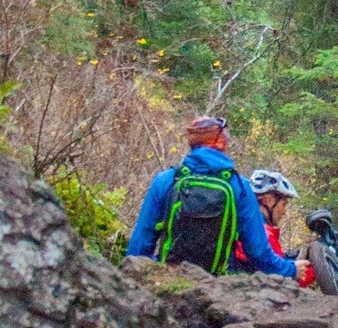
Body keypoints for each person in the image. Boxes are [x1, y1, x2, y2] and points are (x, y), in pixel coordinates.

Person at [127, 118, 303, 280]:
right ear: (222, 143)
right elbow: (257, 252)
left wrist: (135, 278)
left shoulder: (167, 180)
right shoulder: (238, 186)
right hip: (216, 284)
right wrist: (291, 270)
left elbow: (141, 243)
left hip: (170, 278)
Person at [245, 168, 316, 286]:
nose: (284, 212)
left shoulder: (245, 225)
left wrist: (291, 257)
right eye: (284, 204)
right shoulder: (264, 233)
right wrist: (314, 270)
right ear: (268, 200)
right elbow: (280, 280)